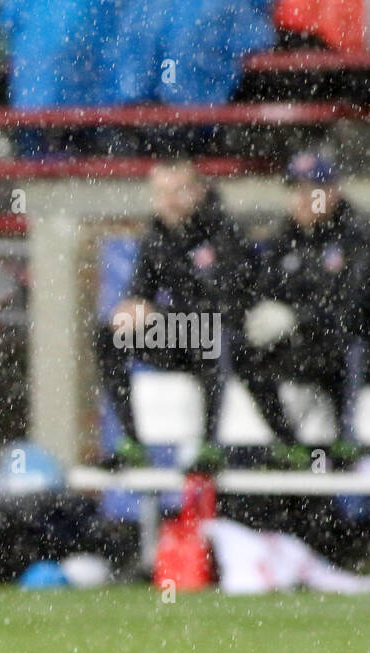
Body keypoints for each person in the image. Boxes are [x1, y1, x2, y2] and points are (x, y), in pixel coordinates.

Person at [97, 161, 254, 470]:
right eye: (161, 193)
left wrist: (160, 313)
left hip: (228, 339)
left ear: (198, 191)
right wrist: (131, 308)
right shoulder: (157, 236)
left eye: (178, 191)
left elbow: (226, 305)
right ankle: (132, 444)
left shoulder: (223, 231)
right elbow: (141, 292)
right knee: (108, 336)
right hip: (183, 337)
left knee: (211, 335)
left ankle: (210, 447)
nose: (169, 201)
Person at [235, 152, 368, 467]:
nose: (303, 199)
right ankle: (289, 444)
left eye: (313, 191)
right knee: (243, 351)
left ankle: (338, 449)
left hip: (346, 350)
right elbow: (262, 291)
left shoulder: (357, 236)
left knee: (345, 350)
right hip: (306, 349)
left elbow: (350, 311)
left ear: (333, 192)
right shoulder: (285, 239)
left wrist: (298, 317)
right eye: (297, 190)